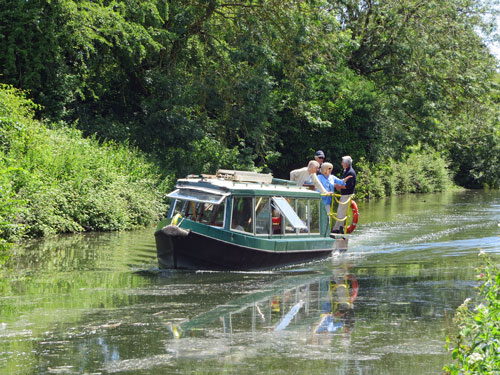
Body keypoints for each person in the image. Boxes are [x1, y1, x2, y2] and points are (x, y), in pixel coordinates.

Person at [332, 156, 356, 234]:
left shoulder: (350, 172)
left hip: (347, 195)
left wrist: (339, 186)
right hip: (345, 194)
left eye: (342, 162)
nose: (341, 163)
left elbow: (349, 186)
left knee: (341, 211)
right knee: (340, 211)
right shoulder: (346, 171)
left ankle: (338, 229)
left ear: (346, 163)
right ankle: (338, 228)